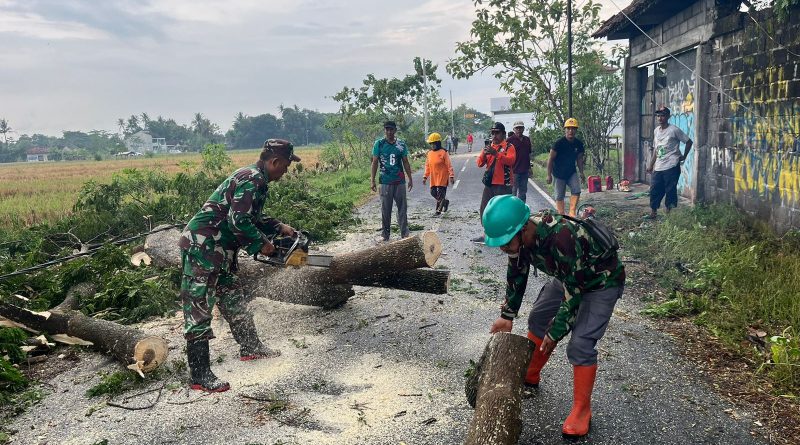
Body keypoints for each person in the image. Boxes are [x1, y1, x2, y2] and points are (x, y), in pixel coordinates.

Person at [482, 195, 625, 438]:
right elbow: (517, 272)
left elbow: (575, 292)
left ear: (523, 228)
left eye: (506, 242)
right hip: (569, 275)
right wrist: (507, 315)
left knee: (580, 344)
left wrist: (556, 332)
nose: (503, 248)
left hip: (600, 281)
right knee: (538, 317)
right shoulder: (521, 239)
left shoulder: (562, 238)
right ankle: (531, 373)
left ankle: (582, 410)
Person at [178, 139, 300, 393]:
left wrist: (278, 227)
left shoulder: (258, 180)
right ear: (274, 161)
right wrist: (262, 244)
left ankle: (251, 347)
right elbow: (239, 221)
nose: (286, 171)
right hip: (203, 247)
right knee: (199, 305)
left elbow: (250, 215)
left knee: (232, 296)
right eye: (286, 166)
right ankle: (199, 375)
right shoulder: (252, 179)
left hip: (220, 249)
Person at [646, 106, 693, 219]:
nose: (660, 118)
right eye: (658, 115)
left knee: (670, 191)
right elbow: (656, 150)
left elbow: (688, 142)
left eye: (662, 115)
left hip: (672, 166)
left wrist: (684, 156)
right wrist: (651, 165)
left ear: (668, 117)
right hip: (659, 166)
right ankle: (653, 212)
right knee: (654, 190)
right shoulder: (656, 131)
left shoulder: (673, 130)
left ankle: (669, 214)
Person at [472, 122, 516, 243]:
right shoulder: (489, 146)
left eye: (497, 133)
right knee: (485, 209)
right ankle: (487, 234)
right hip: (489, 184)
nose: (494, 135)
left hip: (503, 184)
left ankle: (505, 236)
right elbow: (479, 164)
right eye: (493, 133)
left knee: (502, 210)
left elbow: (511, 161)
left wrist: (496, 154)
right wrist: (484, 154)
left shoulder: (509, 147)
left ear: (503, 134)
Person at [371, 121, 413, 242]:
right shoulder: (379, 144)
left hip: (399, 181)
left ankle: (404, 233)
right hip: (385, 181)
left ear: (395, 130)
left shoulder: (401, 144)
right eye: (387, 129)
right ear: (384, 130)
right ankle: (385, 234)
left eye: (391, 129)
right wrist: (372, 180)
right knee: (386, 209)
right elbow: (374, 162)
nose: (389, 132)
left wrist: (410, 178)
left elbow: (405, 161)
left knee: (402, 208)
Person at [547, 118, 586, 216]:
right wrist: (549, 175)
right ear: (565, 130)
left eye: (573, 129)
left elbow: (579, 159)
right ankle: (561, 215)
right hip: (558, 174)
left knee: (576, 190)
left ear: (576, 130)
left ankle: (572, 212)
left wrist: (581, 173)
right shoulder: (558, 144)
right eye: (568, 128)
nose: (570, 131)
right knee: (559, 196)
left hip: (571, 172)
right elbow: (550, 159)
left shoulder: (579, 144)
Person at [422, 132, 455, 215]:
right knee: (433, 192)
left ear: (438, 143)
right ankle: (445, 202)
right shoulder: (429, 153)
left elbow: (449, 164)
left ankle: (438, 211)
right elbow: (427, 166)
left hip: (442, 177)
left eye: (434, 144)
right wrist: (425, 176)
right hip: (433, 177)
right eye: (431, 144)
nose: (432, 146)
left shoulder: (444, 152)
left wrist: (451, 175)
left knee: (440, 194)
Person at [506, 121, 532, 202]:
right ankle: (512, 210)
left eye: (520, 128)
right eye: (517, 128)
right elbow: (506, 156)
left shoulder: (527, 139)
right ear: (514, 129)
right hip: (513, 171)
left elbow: (528, 154)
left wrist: (530, 168)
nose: (519, 130)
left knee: (523, 192)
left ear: (523, 129)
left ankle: (521, 209)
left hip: (524, 170)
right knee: (513, 192)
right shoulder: (509, 141)